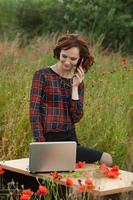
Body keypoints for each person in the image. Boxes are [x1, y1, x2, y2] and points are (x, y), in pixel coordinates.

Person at [29, 33, 113, 166]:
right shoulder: (42, 75)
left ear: (80, 60)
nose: (67, 62)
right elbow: (34, 113)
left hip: (70, 140)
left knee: (106, 159)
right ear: (59, 53)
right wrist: (41, 145)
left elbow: (76, 117)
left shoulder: (78, 82)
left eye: (73, 59)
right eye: (64, 56)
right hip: (48, 140)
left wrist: (75, 87)